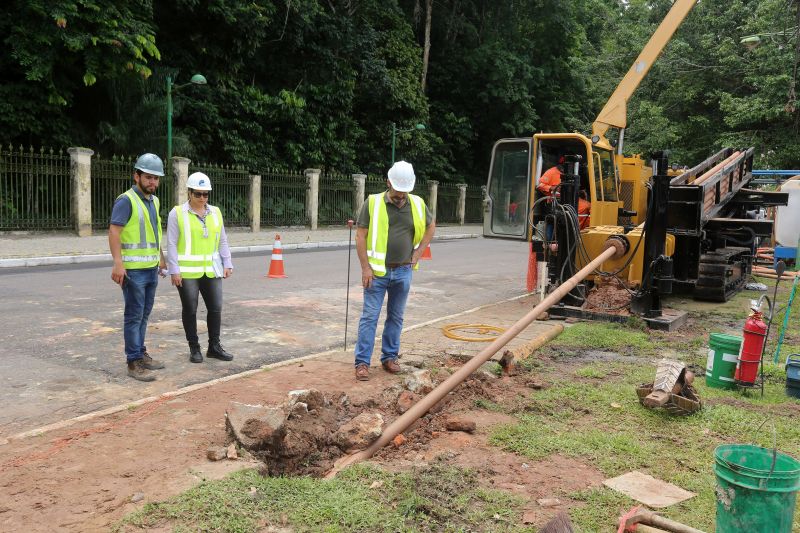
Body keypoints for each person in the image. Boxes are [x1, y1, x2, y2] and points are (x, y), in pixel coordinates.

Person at [353, 160, 435, 381]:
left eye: (405, 192)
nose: (401, 196)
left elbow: (430, 226)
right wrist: (365, 268)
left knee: (396, 317)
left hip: (403, 271)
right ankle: (362, 363)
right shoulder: (372, 203)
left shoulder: (417, 203)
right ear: (388, 182)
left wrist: (417, 254)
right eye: (398, 191)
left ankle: (389, 357)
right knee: (370, 317)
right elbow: (360, 235)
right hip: (377, 273)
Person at [108, 153, 168, 382]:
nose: (153, 182)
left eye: (156, 178)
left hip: (150, 268)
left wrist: (160, 259)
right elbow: (114, 231)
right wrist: (118, 263)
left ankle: (141, 353)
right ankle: (133, 362)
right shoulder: (126, 200)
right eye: (149, 177)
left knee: (144, 315)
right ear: (137, 176)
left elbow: (154, 234)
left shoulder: (154, 201)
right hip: (133, 271)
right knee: (134, 316)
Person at [166, 172, 234, 364]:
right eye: (198, 194)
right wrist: (174, 270)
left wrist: (227, 262)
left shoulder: (215, 212)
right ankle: (194, 348)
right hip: (187, 272)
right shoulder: (177, 213)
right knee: (190, 309)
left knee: (216, 308)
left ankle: (214, 346)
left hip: (212, 270)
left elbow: (222, 240)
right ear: (189, 193)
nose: (202, 198)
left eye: (205, 194)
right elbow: (171, 243)